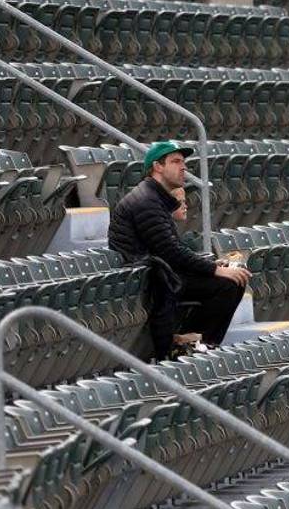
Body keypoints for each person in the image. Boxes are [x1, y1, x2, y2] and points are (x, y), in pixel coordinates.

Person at [108, 141, 251, 360]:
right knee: (227, 283)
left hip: (162, 274)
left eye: (183, 162)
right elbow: (169, 251)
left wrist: (214, 267)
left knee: (233, 280)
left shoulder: (155, 198)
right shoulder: (146, 200)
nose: (183, 167)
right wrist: (214, 270)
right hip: (149, 281)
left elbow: (172, 249)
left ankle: (194, 342)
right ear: (157, 167)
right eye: (175, 162)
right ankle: (188, 347)